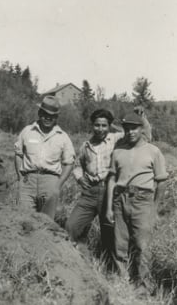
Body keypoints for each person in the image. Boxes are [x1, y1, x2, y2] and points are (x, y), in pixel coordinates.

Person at [66, 108, 151, 258]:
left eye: (104, 125)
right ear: (92, 125)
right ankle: (78, 257)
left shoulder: (117, 139)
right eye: (97, 125)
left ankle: (109, 267)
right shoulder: (86, 146)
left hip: (110, 190)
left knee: (110, 231)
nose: (100, 129)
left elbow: (144, 136)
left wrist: (142, 118)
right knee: (71, 226)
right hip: (90, 193)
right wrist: (79, 178)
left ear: (109, 126)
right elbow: (78, 165)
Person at [105, 113, 167, 291]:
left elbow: (161, 180)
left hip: (142, 200)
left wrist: (154, 209)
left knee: (142, 245)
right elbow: (111, 179)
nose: (130, 132)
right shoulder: (118, 151)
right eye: (126, 128)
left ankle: (143, 284)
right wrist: (109, 207)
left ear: (142, 129)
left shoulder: (153, 151)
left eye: (134, 128)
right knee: (120, 244)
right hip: (120, 199)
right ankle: (123, 280)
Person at [14, 95, 75, 219]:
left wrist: (58, 185)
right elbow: (18, 154)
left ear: (56, 117)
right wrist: (20, 177)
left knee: (46, 223)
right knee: (23, 221)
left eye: (52, 115)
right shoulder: (27, 131)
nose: (48, 118)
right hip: (27, 181)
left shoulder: (62, 136)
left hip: (50, 181)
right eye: (45, 113)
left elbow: (69, 163)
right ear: (39, 113)